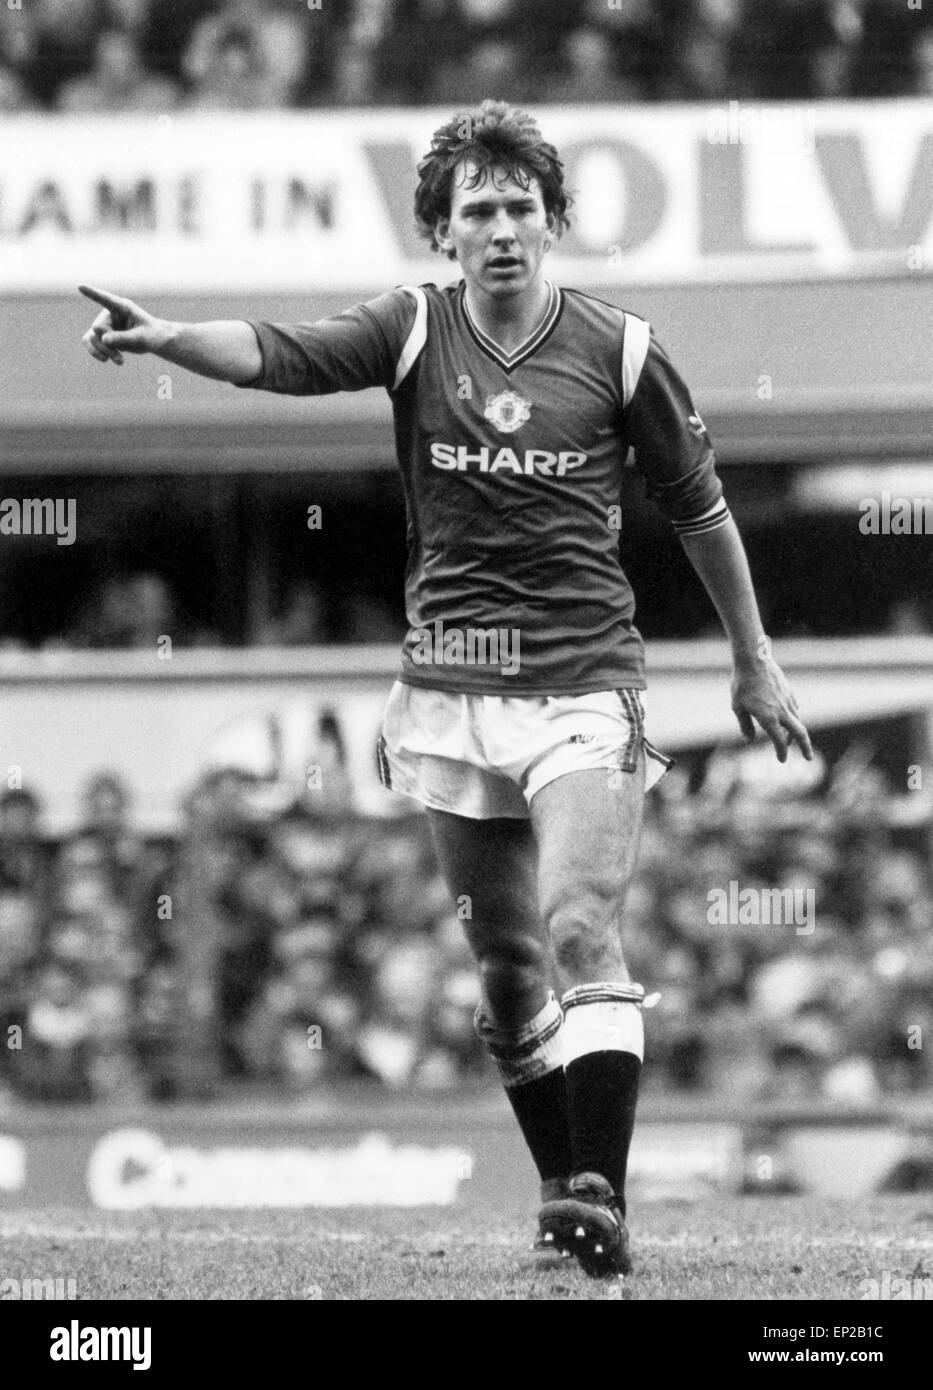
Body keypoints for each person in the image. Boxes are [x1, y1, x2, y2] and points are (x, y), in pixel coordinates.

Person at [79, 99, 811, 1278]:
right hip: (448, 691)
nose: (505, 227)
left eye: (524, 206)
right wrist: (165, 340)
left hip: (585, 685)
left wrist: (753, 656)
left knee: (579, 924)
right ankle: (560, 1195)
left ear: (555, 220)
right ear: (444, 231)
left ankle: (600, 1200)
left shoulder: (621, 349)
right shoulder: (413, 331)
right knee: (510, 966)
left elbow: (703, 509)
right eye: (480, 209)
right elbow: (286, 354)